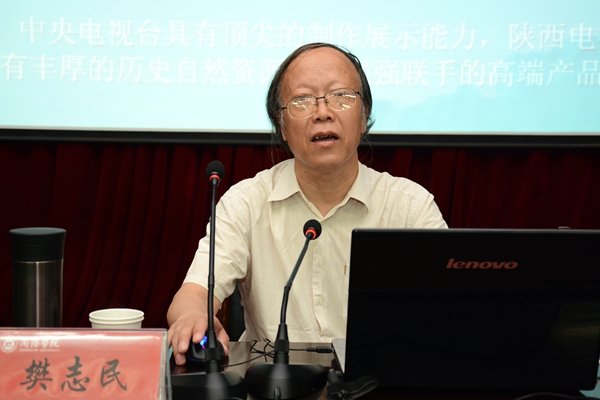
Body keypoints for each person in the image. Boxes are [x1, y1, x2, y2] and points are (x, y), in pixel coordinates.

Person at [167, 42, 448, 365]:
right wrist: (192, 317)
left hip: (378, 380)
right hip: (271, 382)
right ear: (282, 126)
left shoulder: (410, 207)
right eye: (302, 100)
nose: (323, 113)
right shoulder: (246, 202)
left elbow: (451, 308)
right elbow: (193, 294)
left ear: (364, 116)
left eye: (341, 96)